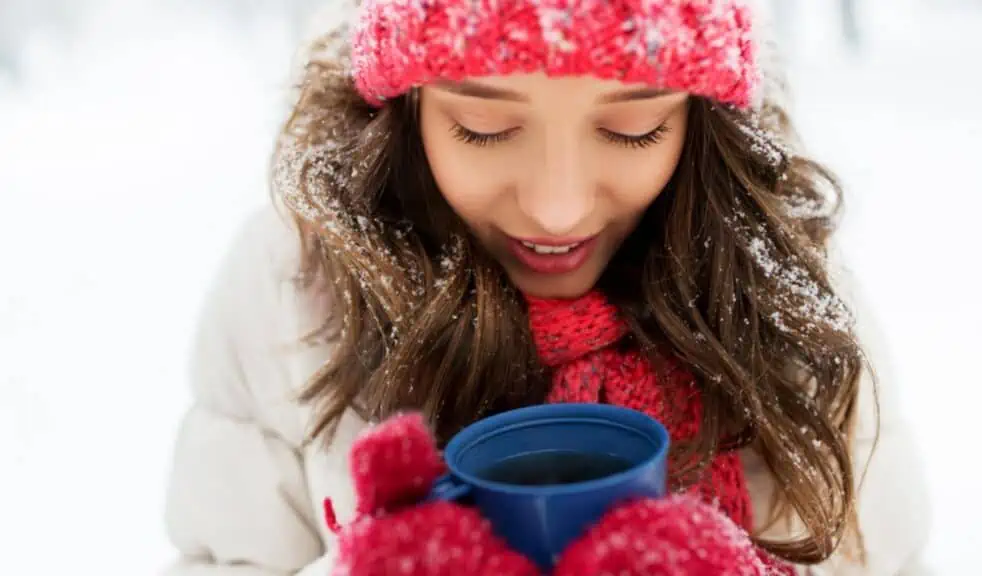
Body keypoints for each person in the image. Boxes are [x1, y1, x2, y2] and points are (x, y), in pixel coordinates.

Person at [162, 0, 932, 574]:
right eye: (483, 128)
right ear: (409, 106)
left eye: (633, 129)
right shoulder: (295, 285)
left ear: (700, 118)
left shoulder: (785, 295)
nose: (557, 206)